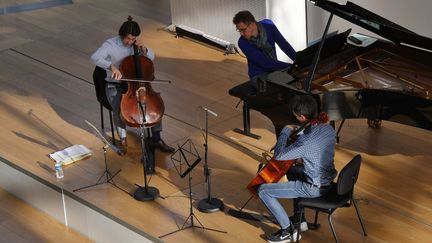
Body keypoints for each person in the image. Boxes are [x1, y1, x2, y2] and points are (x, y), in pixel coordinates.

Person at [258, 95, 337, 242]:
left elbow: (280, 155)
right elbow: (319, 151)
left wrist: (286, 131)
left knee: (263, 191)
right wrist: (302, 158)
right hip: (327, 180)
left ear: (301, 117)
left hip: (314, 187)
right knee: (292, 171)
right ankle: (299, 218)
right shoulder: (328, 127)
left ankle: (287, 231)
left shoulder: (305, 141)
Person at [91, 16, 174, 155]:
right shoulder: (110, 45)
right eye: (128, 39)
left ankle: (156, 139)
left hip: (137, 84)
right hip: (115, 84)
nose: (130, 42)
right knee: (118, 108)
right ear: (121, 34)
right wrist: (111, 66)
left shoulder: (136, 45)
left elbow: (150, 59)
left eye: (133, 39)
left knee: (154, 106)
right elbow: (94, 57)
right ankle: (123, 141)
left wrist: (144, 50)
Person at [232, 10, 296, 88]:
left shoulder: (269, 25)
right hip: (259, 75)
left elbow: (284, 45)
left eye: (243, 30)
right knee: (288, 86)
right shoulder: (242, 42)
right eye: (239, 30)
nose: (241, 34)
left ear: (252, 24)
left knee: (297, 80)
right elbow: (265, 62)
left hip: (275, 69)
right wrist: (292, 66)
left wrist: (298, 60)